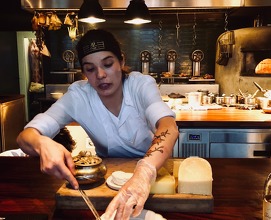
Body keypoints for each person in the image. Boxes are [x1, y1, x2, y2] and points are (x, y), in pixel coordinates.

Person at [17, 29, 179, 220]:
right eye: (90, 69)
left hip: (154, 173)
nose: (100, 75)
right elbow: (25, 137)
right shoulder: (79, 96)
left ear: (122, 61)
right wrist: (42, 143)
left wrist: (144, 173)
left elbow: (169, 127)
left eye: (108, 64)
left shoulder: (140, 85)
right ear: (84, 72)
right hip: (104, 182)